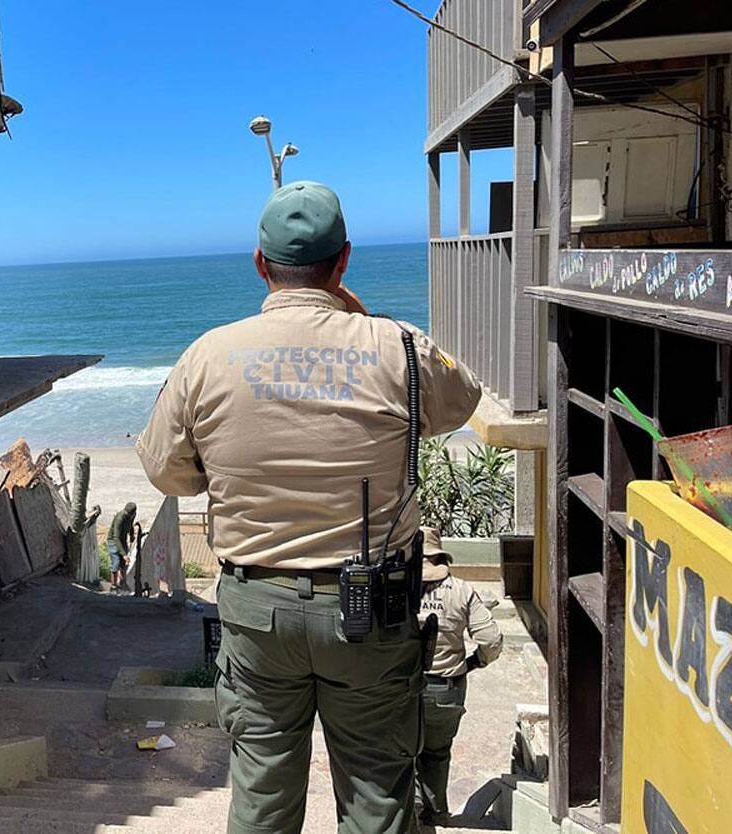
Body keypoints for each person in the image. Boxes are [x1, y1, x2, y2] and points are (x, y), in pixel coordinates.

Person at [137, 181, 481, 834]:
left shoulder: (208, 356)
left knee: (262, 803)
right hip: (371, 614)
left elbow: (165, 471)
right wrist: (358, 314)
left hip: (256, 614)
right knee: (378, 800)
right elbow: (461, 398)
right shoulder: (398, 348)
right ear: (344, 260)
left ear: (261, 265)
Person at [415, 527, 504, 828]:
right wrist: (474, 662)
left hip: (404, 686)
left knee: (402, 751)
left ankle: (412, 808)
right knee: (437, 753)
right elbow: (491, 639)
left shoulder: (398, 589)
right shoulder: (462, 590)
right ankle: (436, 813)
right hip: (447, 689)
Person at [106, 502, 136, 591]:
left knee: (123, 564)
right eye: (127, 514)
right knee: (116, 562)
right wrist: (123, 554)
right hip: (114, 540)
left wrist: (131, 534)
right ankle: (113, 586)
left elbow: (131, 524)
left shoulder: (132, 515)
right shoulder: (120, 518)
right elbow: (116, 537)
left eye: (130, 515)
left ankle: (123, 584)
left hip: (122, 539)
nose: (128, 516)